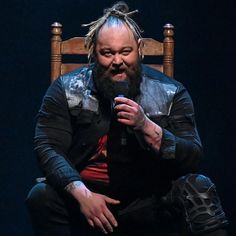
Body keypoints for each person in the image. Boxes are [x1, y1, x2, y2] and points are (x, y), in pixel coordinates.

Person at [26, 2, 228, 236]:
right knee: (41, 196)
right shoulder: (66, 89)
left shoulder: (171, 92)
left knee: (198, 188)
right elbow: (47, 147)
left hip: (147, 200)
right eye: (107, 53)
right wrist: (83, 195)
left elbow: (193, 156)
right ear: (94, 51)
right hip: (89, 199)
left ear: (139, 49)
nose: (117, 61)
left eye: (125, 52)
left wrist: (147, 127)